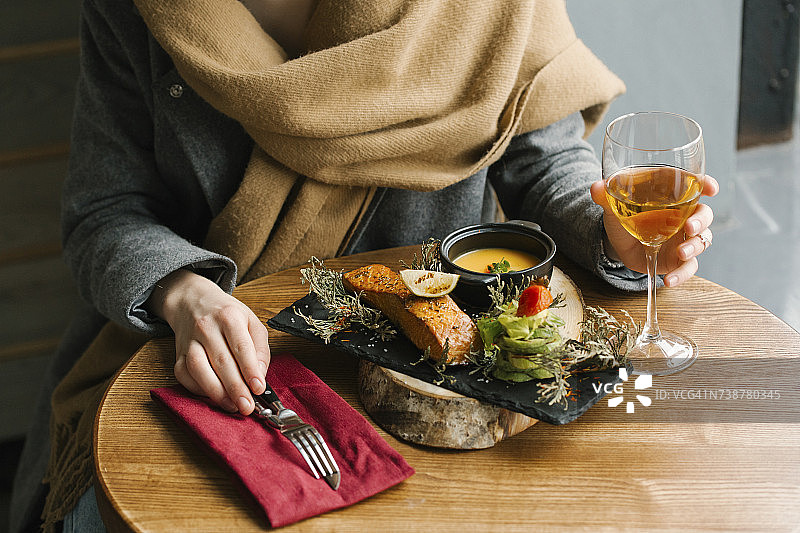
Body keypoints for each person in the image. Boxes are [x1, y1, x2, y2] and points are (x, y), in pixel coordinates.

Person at [9, 0, 718, 531]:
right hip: (212, 367)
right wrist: (180, 290)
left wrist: (612, 236)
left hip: (436, 388)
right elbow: (104, 211)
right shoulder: (140, 10)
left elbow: (543, 161)